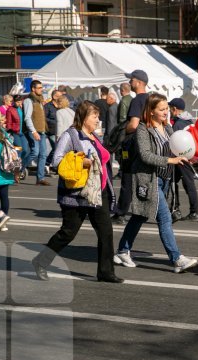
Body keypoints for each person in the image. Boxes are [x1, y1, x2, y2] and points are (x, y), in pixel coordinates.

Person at [31, 101, 123, 283]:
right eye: (94, 116)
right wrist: (82, 162)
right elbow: (56, 161)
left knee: (106, 232)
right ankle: (40, 261)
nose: (98, 120)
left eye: (98, 116)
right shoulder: (70, 135)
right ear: (83, 117)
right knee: (68, 233)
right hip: (76, 194)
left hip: (98, 191)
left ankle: (105, 272)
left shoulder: (94, 136)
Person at [114, 93, 198, 273]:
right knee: (164, 218)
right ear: (151, 111)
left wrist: (184, 156)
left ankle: (122, 250)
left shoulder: (167, 128)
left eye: (167, 108)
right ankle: (177, 259)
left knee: (140, 216)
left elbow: (175, 148)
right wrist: (170, 161)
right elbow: (145, 155)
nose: (166, 112)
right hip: (149, 180)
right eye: (161, 109)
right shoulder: (143, 129)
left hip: (165, 180)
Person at [114, 69, 150, 225]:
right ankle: (144, 210)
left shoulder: (137, 101)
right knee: (145, 179)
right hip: (148, 144)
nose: (130, 83)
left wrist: (123, 130)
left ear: (139, 82)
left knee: (127, 179)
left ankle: (120, 213)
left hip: (133, 144)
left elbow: (133, 125)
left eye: (132, 80)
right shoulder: (151, 99)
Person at [168, 97, 198, 222]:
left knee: (181, 182)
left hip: (182, 157)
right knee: (185, 183)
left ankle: (190, 211)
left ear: (174, 109)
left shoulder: (178, 124)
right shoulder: (189, 121)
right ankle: (184, 210)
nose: (169, 111)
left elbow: (174, 141)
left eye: (170, 108)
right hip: (191, 155)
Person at [23, 80, 51, 185]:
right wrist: (34, 131)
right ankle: (20, 168)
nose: (41, 89)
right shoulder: (29, 100)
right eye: (39, 88)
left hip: (42, 131)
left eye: (41, 87)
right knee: (35, 152)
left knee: (43, 154)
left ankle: (40, 178)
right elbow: (27, 118)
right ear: (33, 89)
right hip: (33, 130)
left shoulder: (39, 100)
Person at [6, 95, 29, 178]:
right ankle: (16, 169)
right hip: (15, 133)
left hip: (22, 133)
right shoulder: (10, 110)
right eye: (17, 102)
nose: (19, 103)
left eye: (20, 102)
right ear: (14, 102)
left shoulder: (21, 109)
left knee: (26, 150)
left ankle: (20, 167)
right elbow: (8, 123)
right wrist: (10, 132)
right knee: (18, 149)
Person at [44, 90, 61, 170]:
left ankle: (54, 165)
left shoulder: (61, 106)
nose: (61, 98)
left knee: (59, 148)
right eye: (59, 96)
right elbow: (44, 118)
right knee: (56, 147)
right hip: (51, 131)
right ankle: (48, 163)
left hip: (60, 130)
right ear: (54, 97)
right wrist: (54, 122)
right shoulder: (47, 106)